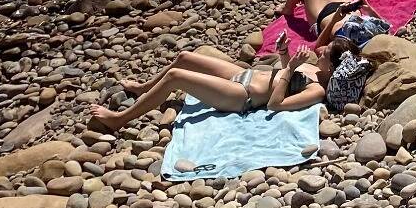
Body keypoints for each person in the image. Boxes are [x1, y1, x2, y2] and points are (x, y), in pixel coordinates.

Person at [88, 31, 323, 132]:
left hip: (242, 94)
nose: (320, 52)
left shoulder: (317, 90)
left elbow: (275, 104)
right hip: (245, 75)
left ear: (331, 66)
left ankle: (119, 119)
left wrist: (290, 67)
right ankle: (144, 89)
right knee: (185, 57)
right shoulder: (312, 68)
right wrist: (283, 53)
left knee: (175, 77)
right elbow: (284, 73)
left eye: (326, 53)